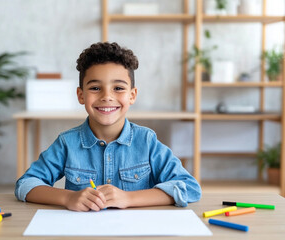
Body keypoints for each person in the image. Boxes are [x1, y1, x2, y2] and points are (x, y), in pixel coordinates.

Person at [15, 42, 201, 211]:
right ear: (81, 95)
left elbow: (189, 187)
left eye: (118, 88)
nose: (106, 96)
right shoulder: (67, 143)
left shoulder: (146, 141)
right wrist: (68, 198)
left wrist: (128, 198)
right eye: (95, 88)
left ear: (132, 95)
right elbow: (26, 184)